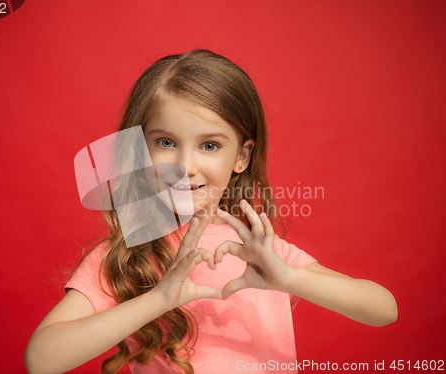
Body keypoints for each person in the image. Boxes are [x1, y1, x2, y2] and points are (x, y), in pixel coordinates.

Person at [24, 49, 398, 374]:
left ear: (241, 156)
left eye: (209, 145)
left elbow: (383, 309)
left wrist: (289, 278)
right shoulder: (124, 256)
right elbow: (42, 359)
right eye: (166, 142)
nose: (186, 165)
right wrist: (159, 299)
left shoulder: (262, 253)